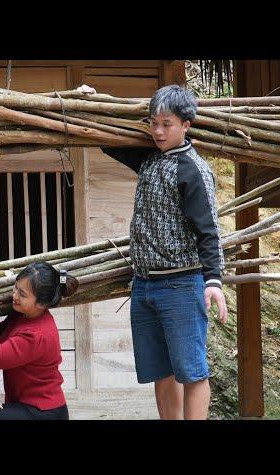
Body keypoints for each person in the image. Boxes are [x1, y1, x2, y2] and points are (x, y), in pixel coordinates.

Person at [101, 84, 228, 420]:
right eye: (153, 122)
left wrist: (213, 280)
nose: (157, 131)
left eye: (166, 124)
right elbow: (105, 139)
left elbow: (209, 230)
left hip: (181, 285)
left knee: (192, 370)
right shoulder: (150, 159)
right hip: (144, 284)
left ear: (186, 124)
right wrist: (92, 100)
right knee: (162, 370)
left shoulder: (192, 169)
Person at [0, 262, 78, 420]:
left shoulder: (36, 335)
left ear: (42, 304)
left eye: (22, 294)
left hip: (43, 412)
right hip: (25, 405)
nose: (14, 296)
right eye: (15, 288)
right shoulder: (22, 314)